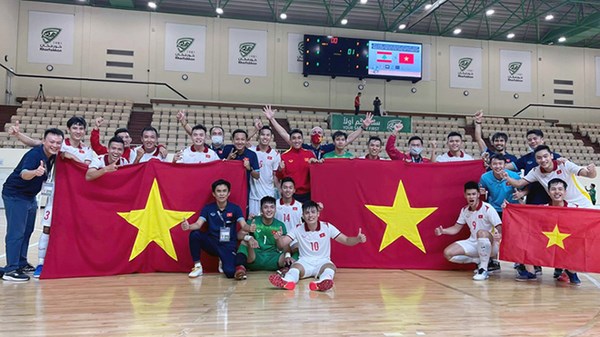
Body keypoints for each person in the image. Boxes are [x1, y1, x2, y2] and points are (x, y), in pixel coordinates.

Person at [9, 116, 94, 278]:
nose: (78, 131)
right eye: (75, 128)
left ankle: (71, 260)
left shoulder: (87, 150)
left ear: (84, 131)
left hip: (77, 196)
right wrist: (18, 136)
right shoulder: (59, 145)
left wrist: (71, 157)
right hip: (57, 192)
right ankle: (41, 262)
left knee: (74, 228)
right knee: (47, 227)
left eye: (81, 128)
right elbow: (35, 143)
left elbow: (86, 168)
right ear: (69, 130)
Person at [2, 128, 64, 282]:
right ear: (44, 141)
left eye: (58, 142)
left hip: (30, 196)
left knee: (27, 230)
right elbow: (24, 173)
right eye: (52, 142)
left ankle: (21, 263)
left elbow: (32, 141)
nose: (55, 145)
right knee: (16, 232)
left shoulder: (51, 155)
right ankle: (11, 269)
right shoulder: (35, 155)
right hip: (15, 195)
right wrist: (35, 172)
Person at [268, 200, 367, 291]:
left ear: (318, 214)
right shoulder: (298, 228)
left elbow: (346, 240)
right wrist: (278, 238)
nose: (310, 215)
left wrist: (357, 239)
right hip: (305, 262)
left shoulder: (327, 227)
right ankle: (287, 281)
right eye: (307, 213)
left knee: (330, 268)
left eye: (313, 212)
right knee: (295, 268)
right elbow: (282, 244)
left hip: (322, 262)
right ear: (302, 216)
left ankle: (321, 283)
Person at [181, 179, 254, 278]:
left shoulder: (235, 208)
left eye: (224, 191)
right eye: (218, 191)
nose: (221, 194)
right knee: (195, 234)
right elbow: (198, 224)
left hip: (227, 245)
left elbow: (243, 225)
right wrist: (188, 226)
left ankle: (224, 260)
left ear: (229, 193)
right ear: (214, 194)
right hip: (212, 242)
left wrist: (250, 228)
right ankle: (198, 267)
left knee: (229, 273)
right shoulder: (208, 208)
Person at [434, 181, 502, 281]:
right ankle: (477, 260)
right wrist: (443, 231)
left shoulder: (488, 208)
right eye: (469, 194)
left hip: (491, 245)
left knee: (481, 233)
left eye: (474, 194)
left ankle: (483, 269)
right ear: (465, 195)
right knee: (447, 253)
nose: (471, 197)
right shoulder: (465, 210)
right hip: (473, 243)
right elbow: (456, 228)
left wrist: (499, 234)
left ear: (478, 194)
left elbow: (499, 225)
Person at [262, 105, 373, 159]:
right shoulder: (304, 147)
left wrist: (363, 127)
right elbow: (285, 135)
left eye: (319, 132)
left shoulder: (328, 148)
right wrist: (272, 119)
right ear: (310, 136)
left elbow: (348, 139)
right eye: (314, 132)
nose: (317, 134)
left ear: (323, 136)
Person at [504, 145, 595, 208]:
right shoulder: (536, 171)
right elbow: (519, 184)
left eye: (545, 156)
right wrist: (507, 177)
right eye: (539, 158)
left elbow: (588, 175)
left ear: (551, 156)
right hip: (562, 206)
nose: (543, 160)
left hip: (582, 203)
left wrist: (592, 171)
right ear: (536, 160)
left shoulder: (564, 164)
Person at [234, 196, 291, 280]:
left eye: (272, 207)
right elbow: (238, 236)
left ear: (275, 209)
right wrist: (249, 237)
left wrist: (278, 239)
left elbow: (281, 247)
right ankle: (240, 269)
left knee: (287, 245)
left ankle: (285, 269)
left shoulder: (279, 225)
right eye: (265, 207)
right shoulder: (254, 221)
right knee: (244, 242)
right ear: (261, 210)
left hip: (273, 259)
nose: (269, 210)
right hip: (254, 258)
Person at [545, 178, 581, 285]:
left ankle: (570, 270)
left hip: (568, 241)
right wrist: (509, 208)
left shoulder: (574, 208)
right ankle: (530, 271)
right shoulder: (542, 209)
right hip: (548, 241)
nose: (557, 192)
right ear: (548, 191)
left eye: (560, 189)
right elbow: (525, 216)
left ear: (565, 192)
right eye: (553, 189)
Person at [276, 129, 318, 203]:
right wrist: (280, 169)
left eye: (299, 138)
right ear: (290, 140)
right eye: (294, 138)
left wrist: (316, 164)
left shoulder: (309, 154)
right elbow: (279, 177)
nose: (297, 141)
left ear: (302, 140)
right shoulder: (284, 156)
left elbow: (316, 175)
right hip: (291, 194)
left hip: (308, 194)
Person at [247, 125, 281, 216]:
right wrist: (255, 129)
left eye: (267, 135)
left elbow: (275, 176)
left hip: (268, 195)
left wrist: (280, 192)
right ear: (258, 136)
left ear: (271, 137)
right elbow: (243, 140)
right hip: (254, 196)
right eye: (262, 134)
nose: (265, 137)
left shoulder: (275, 154)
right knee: (253, 224)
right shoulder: (251, 151)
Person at [479, 154, 522, 219]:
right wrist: (481, 192)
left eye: (500, 163)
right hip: (494, 209)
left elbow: (525, 188)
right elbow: (481, 190)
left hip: (511, 208)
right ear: (490, 166)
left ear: (505, 165)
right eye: (494, 164)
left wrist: (521, 193)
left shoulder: (514, 176)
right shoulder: (484, 177)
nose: (497, 166)